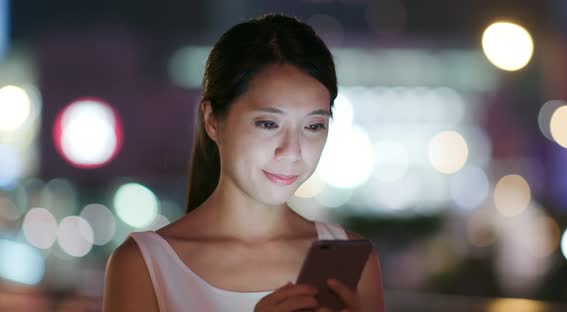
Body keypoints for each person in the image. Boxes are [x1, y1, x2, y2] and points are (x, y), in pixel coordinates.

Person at [102, 13, 385, 312]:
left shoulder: (349, 263)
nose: (292, 151)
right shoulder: (143, 264)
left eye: (313, 126)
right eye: (267, 124)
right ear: (212, 121)